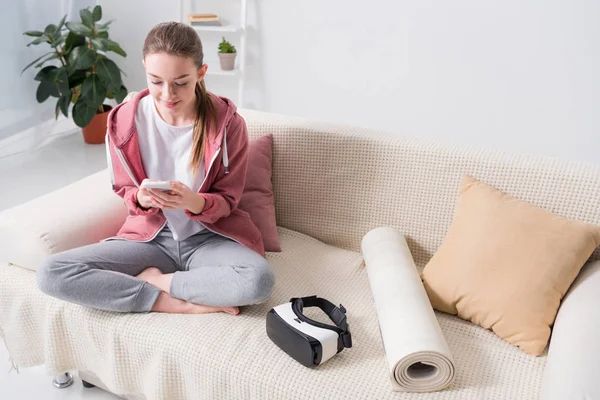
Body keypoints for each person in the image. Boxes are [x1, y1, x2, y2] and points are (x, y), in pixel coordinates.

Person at [36, 22, 275, 316]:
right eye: (156, 81)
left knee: (258, 280)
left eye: (181, 82)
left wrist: (194, 202)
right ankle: (169, 301)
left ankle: (160, 281)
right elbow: (124, 189)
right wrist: (141, 199)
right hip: (150, 240)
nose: (167, 94)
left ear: (201, 73)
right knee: (50, 272)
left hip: (209, 239)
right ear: (145, 70)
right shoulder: (123, 121)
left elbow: (229, 198)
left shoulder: (228, 124)